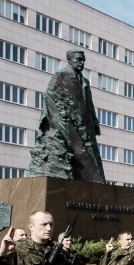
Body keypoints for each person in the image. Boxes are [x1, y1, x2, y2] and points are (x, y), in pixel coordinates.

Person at [26, 50, 106, 182]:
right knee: (78, 154)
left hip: (86, 125)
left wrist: (94, 120)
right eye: (78, 59)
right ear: (69, 60)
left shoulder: (84, 80)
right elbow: (49, 95)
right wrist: (62, 113)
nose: (81, 63)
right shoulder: (60, 75)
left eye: (83, 60)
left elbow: (89, 103)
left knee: (92, 156)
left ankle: (95, 183)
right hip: (70, 123)